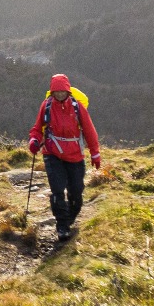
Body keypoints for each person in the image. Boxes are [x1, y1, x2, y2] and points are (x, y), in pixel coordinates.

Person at [28, 74, 100, 242]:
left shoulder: (77, 107)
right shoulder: (46, 106)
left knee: (76, 192)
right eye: (56, 92)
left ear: (68, 91)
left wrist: (95, 153)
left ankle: (68, 219)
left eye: (62, 92)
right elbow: (38, 128)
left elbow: (89, 129)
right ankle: (62, 227)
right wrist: (34, 140)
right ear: (52, 92)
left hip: (75, 155)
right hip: (52, 154)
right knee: (57, 190)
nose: (60, 95)